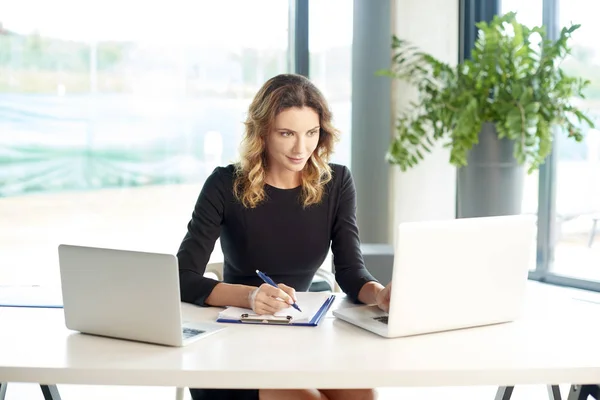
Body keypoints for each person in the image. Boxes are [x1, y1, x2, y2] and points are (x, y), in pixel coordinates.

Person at [177, 73, 391, 400]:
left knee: (364, 396)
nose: (301, 148)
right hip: (231, 346)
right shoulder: (224, 185)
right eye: (287, 133)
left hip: (300, 339)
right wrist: (249, 297)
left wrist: (378, 295)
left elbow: (349, 271)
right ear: (262, 133)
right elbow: (181, 277)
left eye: (311, 133)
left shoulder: (336, 183)